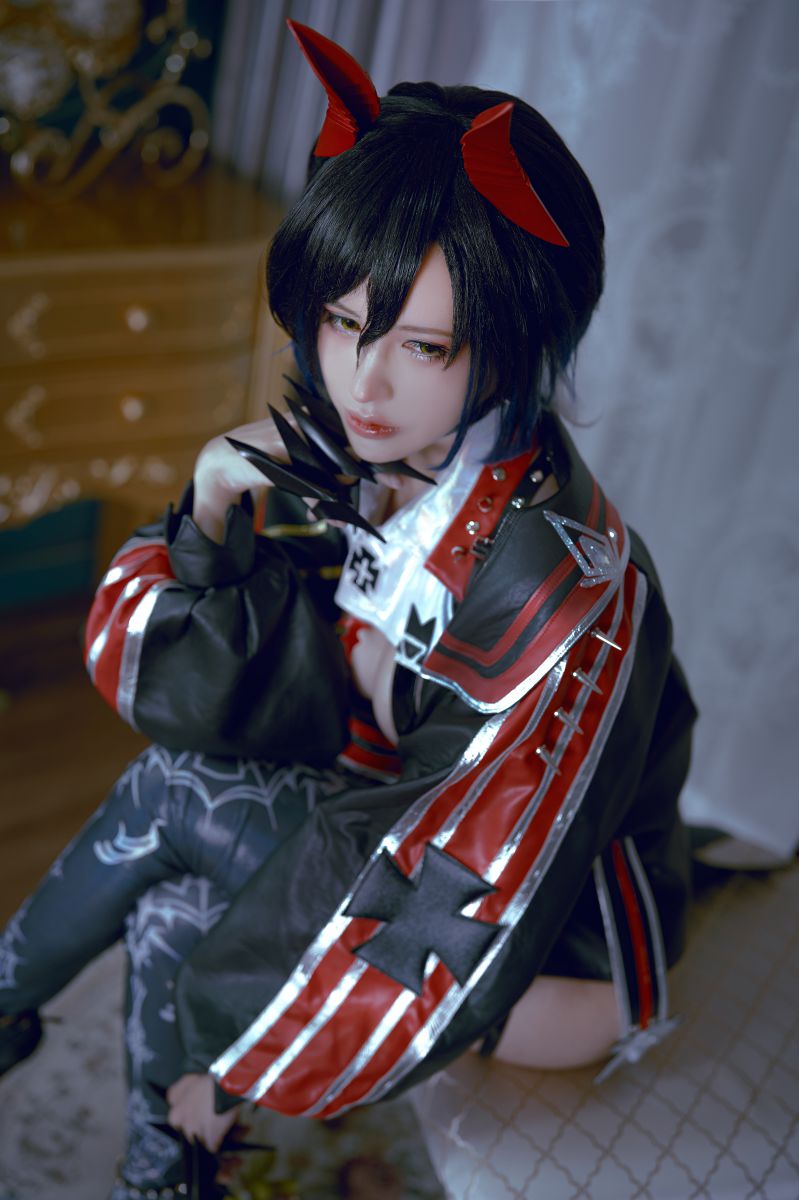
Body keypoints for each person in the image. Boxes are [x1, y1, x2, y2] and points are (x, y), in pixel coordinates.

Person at [0, 20, 696, 1199]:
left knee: (178, 796)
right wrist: (212, 502)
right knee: (171, 907)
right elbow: (209, 689)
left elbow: (453, 876)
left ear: (512, 342)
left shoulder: (560, 586)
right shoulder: (378, 459)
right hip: (393, 836)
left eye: (422, 345)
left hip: (543, 953)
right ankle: (164, 1182)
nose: (361, 384)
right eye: (338, 322)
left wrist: (233, 1057)